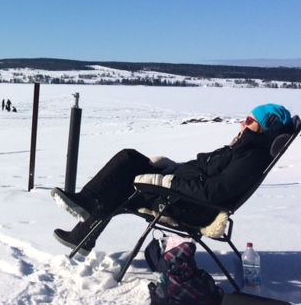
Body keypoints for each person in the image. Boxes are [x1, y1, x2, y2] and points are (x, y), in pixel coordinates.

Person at [51, 104, 294, 256]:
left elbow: (213, 193)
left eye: (249, 120)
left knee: (122, 187)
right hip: (181, 189)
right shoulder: (243, 148)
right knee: (129, 157)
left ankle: (83, 228)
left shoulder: (250, 158)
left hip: (189, 205)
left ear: (266, 126)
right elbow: (202, 168)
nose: (243, 123)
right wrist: (171, 167)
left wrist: (165, 182)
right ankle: (85, 208)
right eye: (245, 118)